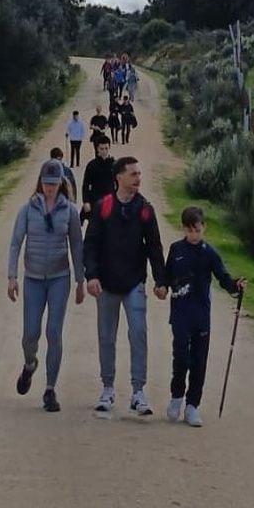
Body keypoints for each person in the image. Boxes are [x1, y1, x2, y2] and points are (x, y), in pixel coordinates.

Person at [83, 156, 167, 417]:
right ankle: (107, 389)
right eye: (133, 174)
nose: (138, 179)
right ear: (119, 177)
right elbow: (90, 245)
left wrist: (161, 281)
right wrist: (91, 276)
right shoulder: (103, 207)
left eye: (139, 174)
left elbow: (154, 247)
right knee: (106, 337)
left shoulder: (145, 209)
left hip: (134, 283)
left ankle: (138, 392)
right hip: (106, 284)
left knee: (139, 333)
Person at [7, 159, 86, 413]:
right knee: (31, 333)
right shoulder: (28, 209)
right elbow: (16, 242)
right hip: (32, 278)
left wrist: (80, 281)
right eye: (46, 183)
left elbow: (76, 246)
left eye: (53, 183)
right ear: (39, 183)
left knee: (54, 332)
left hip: (59, 277)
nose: (49, 188)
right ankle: (30, 364)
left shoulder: (70, 211)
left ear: (60, 183)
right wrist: (12, 276)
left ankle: (50, 389)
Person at [162, 206, 246, 427]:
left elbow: (223, 278)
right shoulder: (176, 249)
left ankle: (192, 406)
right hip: (180, 313)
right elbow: (167, 275)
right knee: (181, 358)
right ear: (184, 229)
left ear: (203, 228)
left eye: (197, 230)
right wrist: (161, 286)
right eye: (190, 231)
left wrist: (235, 285)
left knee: (199, 361)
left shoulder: (209, 253)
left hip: (201, 315)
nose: (194, 235)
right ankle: (177, 397)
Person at [80, 139, 117, 226]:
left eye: (106, 148)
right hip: (95, 200)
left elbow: (119, 185)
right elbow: (85, 185)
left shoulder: (114, 165)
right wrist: (86, 201)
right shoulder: (91, 165)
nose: (104, 151)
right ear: (97, 149)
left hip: (110, 200)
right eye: (102, 149)